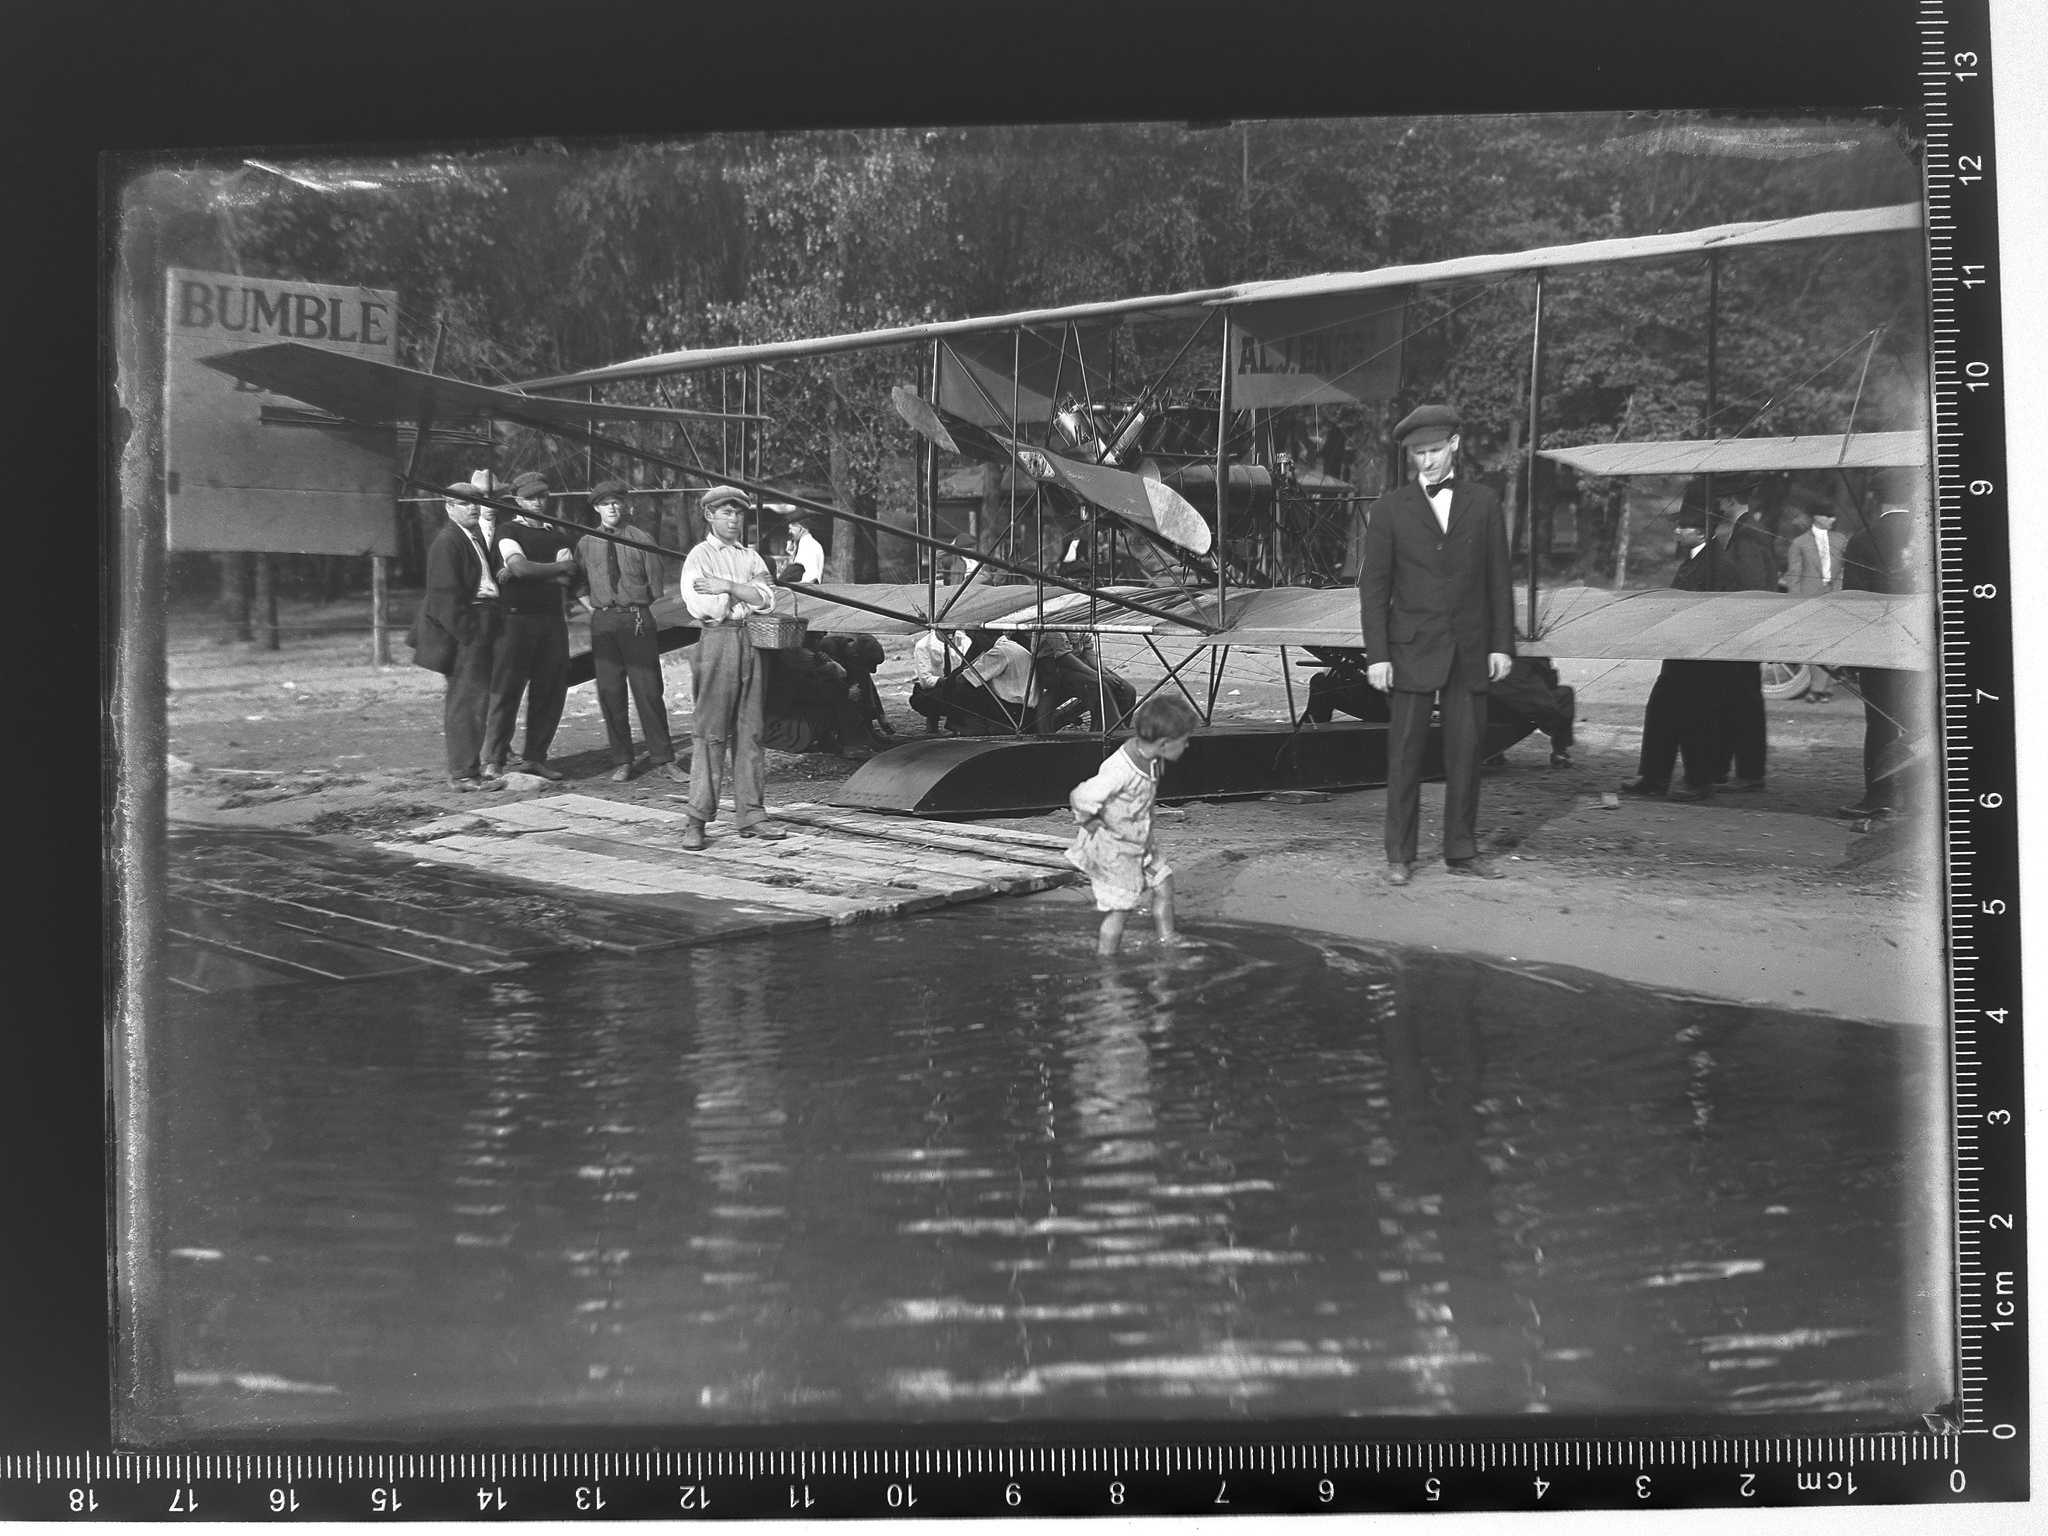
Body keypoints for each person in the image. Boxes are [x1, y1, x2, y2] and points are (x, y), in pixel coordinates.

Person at [1356, 404, 1515, 885]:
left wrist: (1501, 645)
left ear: (1455, 445)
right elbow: (1374, 591)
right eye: (1418, 454)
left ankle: (1461, 851)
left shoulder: (1484, 503)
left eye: (1434, 451)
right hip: (1409, 652)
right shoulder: (1388, 510)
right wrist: (1377, 655)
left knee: (1466, 756)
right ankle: (1399, 855)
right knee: (1404, 756)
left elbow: (1498, 582)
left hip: (1470, 651)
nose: (1427, 462)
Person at [678, 485, 786, 847]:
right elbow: (706, 606)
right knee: (710, 731)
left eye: (739, 513)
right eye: (726, 512)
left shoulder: (751, 556)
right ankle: (696, 818)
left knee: (751, 730)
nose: (734, 519)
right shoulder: (699, 556)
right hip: (717, 640)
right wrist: (744, 592)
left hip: (752, 642)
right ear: (709, 515)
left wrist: (726, 585)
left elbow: (768, 599)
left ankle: (752, 814)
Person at [1065, 693, 1200, 956]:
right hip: (1116, 851)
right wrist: (1090, 822)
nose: (1187, 747)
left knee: (1163, 881)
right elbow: (1081, 795)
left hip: (1139, 840)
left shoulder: (1149, 756)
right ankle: (1107, 963)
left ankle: (1167, 937)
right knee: (1121, 910)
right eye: (1185, 742)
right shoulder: (1120, 771)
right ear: (1163, 744)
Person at [578, 480, 685, 785]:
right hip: (603, 623)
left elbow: (654, 585)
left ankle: (664, 759)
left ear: (623, 505)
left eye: (616, 502)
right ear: (596, 508)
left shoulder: (642, 539)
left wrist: (631, 605)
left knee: (649, 691)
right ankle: (622, 760)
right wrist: (595, 610)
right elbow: (579, 583)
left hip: (637, 619)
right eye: (605, 503)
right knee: (610, 692)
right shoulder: (586, 543)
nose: (612, 508)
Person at [412, 478, 508, 792]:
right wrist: (471, 635)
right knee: (466, 702)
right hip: (469, 631)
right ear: (449, 507)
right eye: (464, 503)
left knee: (476, 701)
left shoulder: (472, 537)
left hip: (483, 623)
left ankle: (470, 771)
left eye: (475, 502)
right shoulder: (448, 541)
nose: (473, 508)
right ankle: (464, 774)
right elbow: (443, 599)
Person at [1838, 502, 1932, 819]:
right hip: (1927, 646)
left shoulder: (1863, 539)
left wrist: (1851, 654)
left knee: (1881, 723)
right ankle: (1923, 799)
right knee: (1922, 721)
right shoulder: (1931, 531)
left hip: (1881, 650)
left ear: (1878, 499)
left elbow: (1854, 601)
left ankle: (1880, 797)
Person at [1618, 520, 1724, 801]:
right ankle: (1654, 776)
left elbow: (1715, 610)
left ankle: (1700, 781)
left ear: (1701, 531)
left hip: (1700, 655)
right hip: (1679, 653)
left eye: (1683, 527)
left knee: (1695, 717)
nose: (1677, 532)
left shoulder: (1715, 562)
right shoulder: (1694, 560)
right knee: (1661, 710)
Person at [481, 471, 576, 781]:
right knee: (507, 690)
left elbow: (566, 577)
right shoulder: (508, 530)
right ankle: (494, 758)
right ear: (518, 499)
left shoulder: (558, 535)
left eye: (542, 495)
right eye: (532, 496)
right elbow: (519, 567)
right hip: (515, 619)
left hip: (551, 620)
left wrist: (529, 572)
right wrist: (551, 568)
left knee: (549, 691)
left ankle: (535, 757)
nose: (538, 501)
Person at [1704, 481, 1776, 790]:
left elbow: (1752, 584)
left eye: (1721, 499)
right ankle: (1725, 768)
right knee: (1733, 699)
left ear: (1731, 499)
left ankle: (1749, 773)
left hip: (1741, 629)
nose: (1718, 506)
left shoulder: (1747, 534)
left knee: (1743, 702)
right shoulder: (1749, 529)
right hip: (1742, 629)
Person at [761, 640, 875, 758]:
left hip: (768, 726)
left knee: (834, 691)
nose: (818, 641)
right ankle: (853, 745)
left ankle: (835, 742)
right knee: (838, 698)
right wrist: (847, 693)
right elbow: (815, 689)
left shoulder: (773, 660)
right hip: (777, 731)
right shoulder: (792, 659)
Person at [1782, 506, 1847, 701]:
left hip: (1834, 596)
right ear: (1817, 517)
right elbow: (1793, 575)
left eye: (1834, 516)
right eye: (1829, 516)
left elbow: (1845, 568)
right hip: (1809, 598)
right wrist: (1796, 601)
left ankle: (1820, 689)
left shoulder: (1840, 540)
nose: (1832, 520)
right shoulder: (1799, 543)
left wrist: (1841, 590)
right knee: (1814, 644)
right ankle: (1820, 689)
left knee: (1831, 642)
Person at [1033, 630, 1137, 734]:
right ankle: (1108, 733)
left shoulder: (1078, 620)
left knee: (1126, 689)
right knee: (1098, 686)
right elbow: (1063, 656)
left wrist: (1103, 673)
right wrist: (1099, 677)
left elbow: (1087, 649)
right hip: (1053, 668)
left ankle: (1120, 730)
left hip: (1076, 661)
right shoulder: (1054, 622)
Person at [776, 508, 825, 584]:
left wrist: (797, 588)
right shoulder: (802, 544)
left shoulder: (809, 545)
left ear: (800, 528)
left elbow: (811, 575)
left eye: (791, 529)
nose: (790, 532)